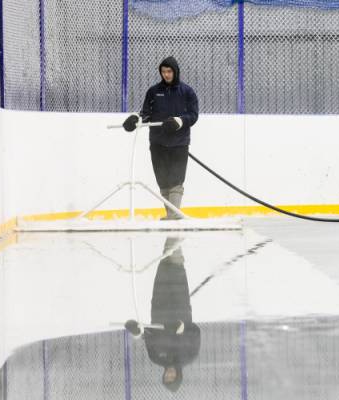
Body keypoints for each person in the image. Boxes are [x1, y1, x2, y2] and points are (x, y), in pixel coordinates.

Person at [123, 56, 199, 220]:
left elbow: (193, 115)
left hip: (179, 143)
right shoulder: (153, 91)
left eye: (169, 71)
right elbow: (146, 114)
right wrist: (136, 119)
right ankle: (171, 214)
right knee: (163, 181)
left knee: (177, 180)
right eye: (163, 71)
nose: (166, 75)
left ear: (175, 71)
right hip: (158, 143)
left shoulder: (187, 92)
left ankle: (174, 214)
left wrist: (180, 121)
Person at [125, 237, 201, 393]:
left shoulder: (156, 357)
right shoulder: (189, 356)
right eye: (172, 377)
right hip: (180, 303)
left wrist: (136, 331)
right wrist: (182, 329)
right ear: (179, 376)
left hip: (159, 304)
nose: (169, 374)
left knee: (165, 262)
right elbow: (196, 332)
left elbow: (148, 335)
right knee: (175, 263)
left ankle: (172, 226)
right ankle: (174, 224)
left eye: (166, 377)